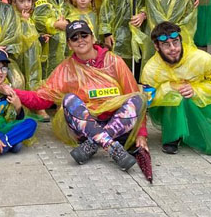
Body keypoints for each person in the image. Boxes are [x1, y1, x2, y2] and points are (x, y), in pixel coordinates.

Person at [8, 20, 148, 171]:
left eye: (84, 35)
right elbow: (42, 99)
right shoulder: (66, 69)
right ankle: (112, 146)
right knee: (69, 100)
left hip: (117, 124)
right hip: (85, 127)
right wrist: (12, 91)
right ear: (69, 44)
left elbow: (131, 93)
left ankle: (94, 143)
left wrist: (141, 135)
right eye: (74, 38)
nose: (80, 40)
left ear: (92, 37)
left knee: (138, 99)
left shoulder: (114, 61)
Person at [141, 21, 211, 155]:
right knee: (175, 96)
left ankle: (196, 127)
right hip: (167, 109)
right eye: (166, 44)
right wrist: (169, 87)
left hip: (201, 101)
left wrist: (195, 90)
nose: (173, 49)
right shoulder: (151, 69)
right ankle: (172, 136)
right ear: (156, 46)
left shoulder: (201, 58)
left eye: (176, 42)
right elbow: (146, 98)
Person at [31, 0, 69, 77]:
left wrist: (68, 21)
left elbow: (69, 12)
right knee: (48, 73)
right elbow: (38, 20)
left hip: (63, 43)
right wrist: (55, 24)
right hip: (48, 45)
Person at [8, 0, 43, 92]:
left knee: (33, 78)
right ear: (14, 1)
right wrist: (24, 22)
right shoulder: (13, 16)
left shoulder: (28, 15)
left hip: (31, 56)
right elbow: (20, 37)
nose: (26, 4)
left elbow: (32, 35)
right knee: (25, 79)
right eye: (22, 1)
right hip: (22, 57)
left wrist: (40, 38)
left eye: (29, 0)